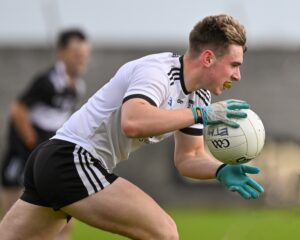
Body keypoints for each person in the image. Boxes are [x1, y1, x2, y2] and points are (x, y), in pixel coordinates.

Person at [0, 14, 264, 240]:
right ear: (208, 58)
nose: (237, 76)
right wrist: (200, 114)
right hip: (71, 159)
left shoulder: (200, 97)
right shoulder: (158, 72)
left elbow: (189, 158)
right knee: (164, 233)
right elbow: (133, 122)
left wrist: (220, 170)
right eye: (234, 65)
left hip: (59, 162)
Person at [0, 29, 91, 239]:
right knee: (14, 224)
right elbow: (18, 111)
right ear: (61, 53)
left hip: (50, 160)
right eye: (77, 53)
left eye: (86, 54)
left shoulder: (77, 86)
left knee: (64, 219)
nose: (82, 59)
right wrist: (34, 146)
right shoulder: (47, 81)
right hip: (24, 160)